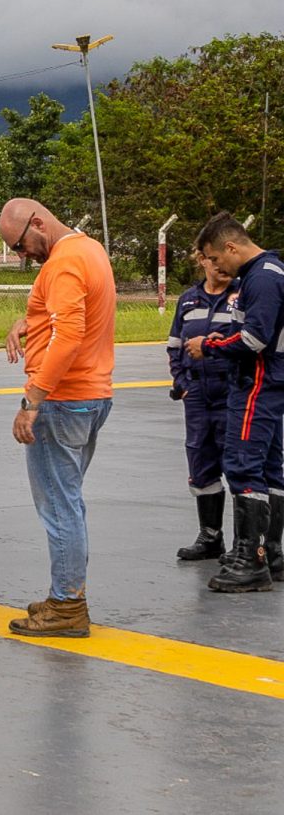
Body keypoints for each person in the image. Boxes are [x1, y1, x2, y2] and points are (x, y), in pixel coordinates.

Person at [0, 198, 116, 635]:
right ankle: (65, 593)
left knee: (59, 506)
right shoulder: (90, 250)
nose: (23, 256)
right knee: (68, 501)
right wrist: (29, 322)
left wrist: (32, 400)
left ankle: (68, 606)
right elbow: (72, 317)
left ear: (37, 223)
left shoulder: (64, 262)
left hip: (63, 401)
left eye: (21, 245)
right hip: (92, 395)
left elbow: (68, 337)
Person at [185, 213, 284, 592]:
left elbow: (254, 339)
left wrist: (207, 345)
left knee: (242, 464)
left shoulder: (261, 277)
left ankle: (250, 560)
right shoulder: (270, 271)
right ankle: (270, 552)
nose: (214, 267)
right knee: (269, 467)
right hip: (270, 381)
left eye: (213, 257)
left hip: (258, 381)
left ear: (230, 246)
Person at [166, 248, 238, 562]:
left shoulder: (242, 297)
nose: (222, 266)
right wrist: (182, 383)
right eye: (214, 260)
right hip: (196, 394)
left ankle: (247, 543)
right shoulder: (188, 300)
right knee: (200, 459)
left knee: (238, 464)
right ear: (202, 261)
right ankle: (210, 537)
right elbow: (174, 346)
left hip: (230, 393)